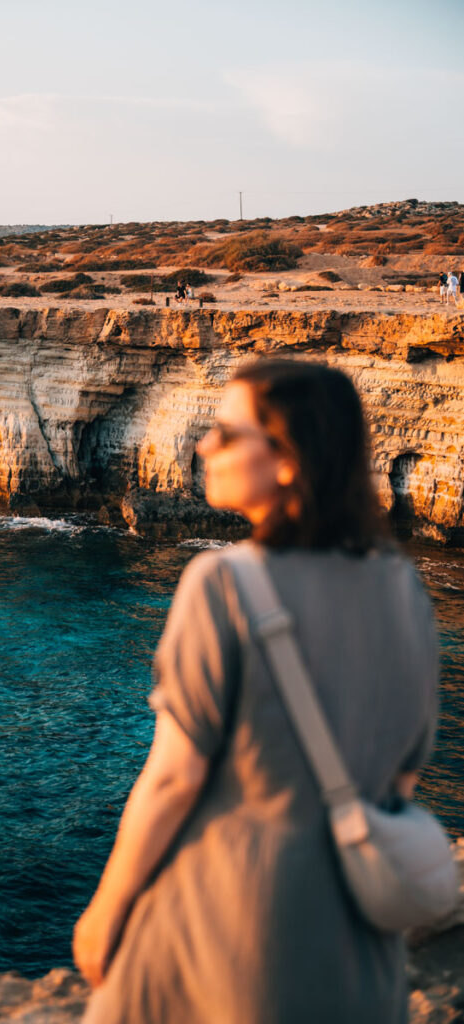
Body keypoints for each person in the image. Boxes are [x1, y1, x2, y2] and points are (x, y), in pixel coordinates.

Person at [74, 359, 439, 1024]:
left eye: (224, 432)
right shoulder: (401, 588)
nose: (201, 445)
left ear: (288, 459)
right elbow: (405, 770)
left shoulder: (222, 585)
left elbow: (172, 778)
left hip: (236, 933)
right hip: (359, 946)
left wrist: (106, 909)